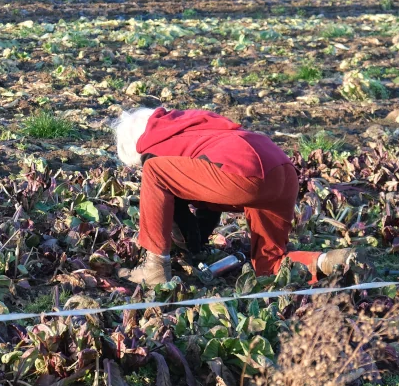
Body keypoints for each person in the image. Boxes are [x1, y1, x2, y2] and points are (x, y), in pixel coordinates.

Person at [113, 106, 355, 285]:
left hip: (242, 172)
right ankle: (329, 260)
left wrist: (172, 246)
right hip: (280, 168)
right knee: (269, 264)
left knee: (154, 171)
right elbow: (207, 193)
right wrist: (194, 245)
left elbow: (170, 195)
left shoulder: (153, 145)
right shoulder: (190, 124)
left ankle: (154, 268)